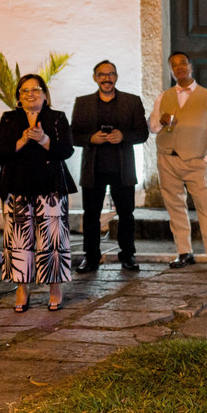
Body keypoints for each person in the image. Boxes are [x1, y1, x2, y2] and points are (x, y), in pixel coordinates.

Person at [0, 74, 76, 312]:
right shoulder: (9, 118)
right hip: (17, 186)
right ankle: (22, 289)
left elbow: (67, 150)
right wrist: (20, 142)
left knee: (53, 240)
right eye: (25, 90)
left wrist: (44, 139)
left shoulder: (57, 118)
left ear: (45, 94)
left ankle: (55, 288)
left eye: (36, 89)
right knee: (19, 240)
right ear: (18, 96)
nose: (31, 94)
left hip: (50, 187)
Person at [148, 51, 207, 273]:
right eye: (174, 65)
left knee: (206, 207)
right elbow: (152, 127)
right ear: (171, 71)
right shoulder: (163, 97)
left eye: (182, 63)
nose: (179, 68)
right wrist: (160, 122)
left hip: (195, 161)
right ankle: (184, 251)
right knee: (175, 207)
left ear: (191, 66)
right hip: (167, 158)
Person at [71, 60, 149, 273]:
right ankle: (91, 257)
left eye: (111, 74)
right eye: (102, 74)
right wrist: (90, 138)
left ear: (116, 76)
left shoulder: (132, 101)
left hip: (122, 169)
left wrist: (123, 136)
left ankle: (128, 255)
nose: (107, 78)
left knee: (126, 214)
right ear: (95, 77)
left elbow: (142, 133)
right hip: (93, 169)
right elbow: (72, 134)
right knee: (91, 215)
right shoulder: (83, 102)